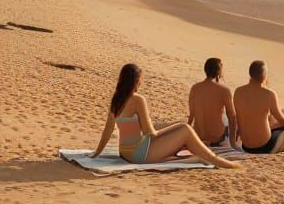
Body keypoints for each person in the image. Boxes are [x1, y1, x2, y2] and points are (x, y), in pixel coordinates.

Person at [91, 63, 240, 169]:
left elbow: (108, 130)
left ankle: (202, 155)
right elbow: (150, 133)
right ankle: (216, 160)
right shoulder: (138, 99)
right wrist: (175, 129)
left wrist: (96, 153)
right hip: (139, 154)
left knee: (179, 126)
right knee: (185, 129)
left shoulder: (116, 99)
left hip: (124, 152)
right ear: (136, 81)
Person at [188, 57, 238, 148]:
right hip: (217, 138)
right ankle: (231, 142)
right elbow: (232, 117)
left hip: (199, 136)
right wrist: (233, 142)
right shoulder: (224, 90)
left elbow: (191, 115)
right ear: (219, 72)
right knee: (233, 117)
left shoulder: (195, 88)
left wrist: (189, 135)